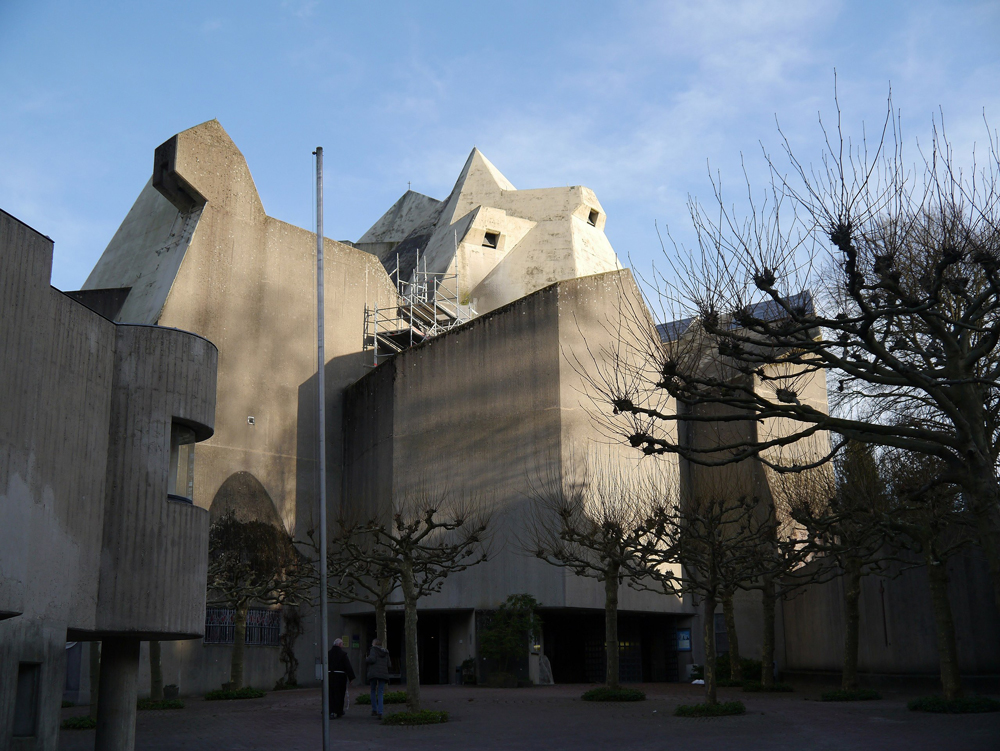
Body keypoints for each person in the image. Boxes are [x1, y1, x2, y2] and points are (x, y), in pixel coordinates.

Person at [328, 638, 355, 718]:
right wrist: (351, 677)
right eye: (342, 644)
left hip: (330, 676)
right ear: (339, 645)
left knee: (330, 694)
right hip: (340, 677)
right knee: (340, 694)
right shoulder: (343, 654)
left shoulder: (328, 653)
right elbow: (347, 666)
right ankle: (339, 711)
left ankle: (330, 711)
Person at [365, 638, 391, 719]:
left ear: (374, 644)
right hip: (383, 674)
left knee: (373, 690)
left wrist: (366, 659)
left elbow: (372, 659)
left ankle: (374, 710)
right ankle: (380, 712)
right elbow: (389, 664)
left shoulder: (373, 650)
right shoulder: (386, 652)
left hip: (374, 673)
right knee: (380, 692)